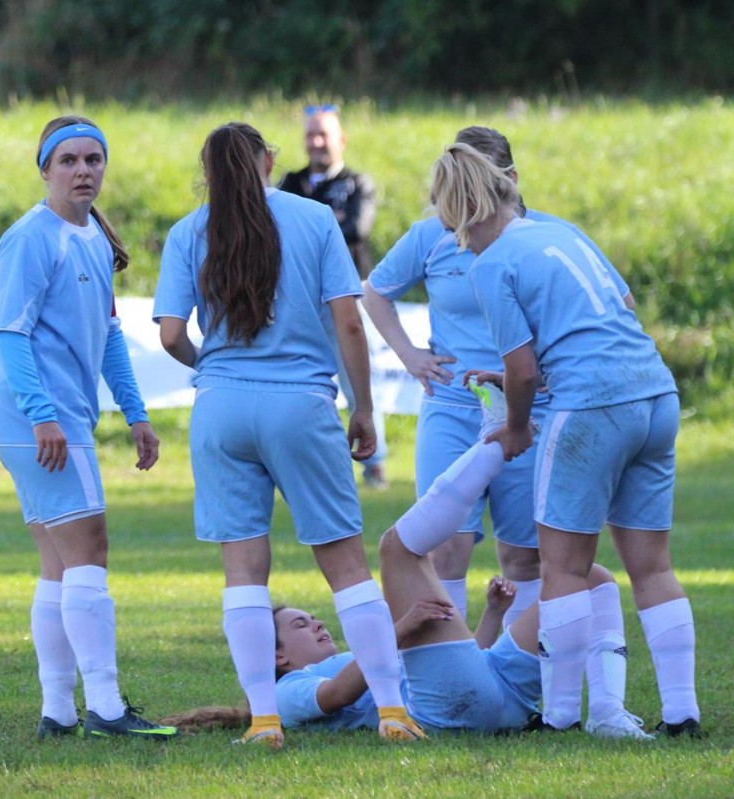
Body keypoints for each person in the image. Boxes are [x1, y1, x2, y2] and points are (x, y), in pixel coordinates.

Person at [154, 122, 422, 748]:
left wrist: (211, 367)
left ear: (208, 173)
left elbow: (169, 335)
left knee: (244, 572)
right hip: (300, 403)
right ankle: (391, 710)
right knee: (346, 565)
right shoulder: (315, 218)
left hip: (221, 407)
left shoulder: (188, 231)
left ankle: (265, 720)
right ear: (269, 161)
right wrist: (363, 407)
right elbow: (348, 324)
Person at [428, 142, 700, 737]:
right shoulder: (563, 233)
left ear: (462, 209)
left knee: (562, 568)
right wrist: (527, 378)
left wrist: (515, 425)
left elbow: (523, 370)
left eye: (449, 224)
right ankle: (683, 713)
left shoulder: (491, 264)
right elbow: (618, 311)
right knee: (652, 566)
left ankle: (559, 717)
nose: (455, 240)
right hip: (654, 393)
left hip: (590, 408)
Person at [164, 407, 642, 738]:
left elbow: (465, 664)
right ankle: (495, 444)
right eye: (300, 625)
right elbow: (336, 695)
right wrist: (398, 631)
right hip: (452, 713)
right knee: (396, 548)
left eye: (309, 617)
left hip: (496, 693)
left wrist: (494, 615)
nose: (317, 622)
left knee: (590, 578)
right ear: (280, 657)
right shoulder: (285, 693)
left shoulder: (348, 654)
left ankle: (607, 713)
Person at [361, 126, 635, 630]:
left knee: (525, 556)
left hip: (530, 411)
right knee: (443, 548)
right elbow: (374, 292)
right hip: (453, 408)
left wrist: (554, 373)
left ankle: (518, 668)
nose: (468, 203)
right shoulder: (430, 234)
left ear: (509, 179)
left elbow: (619, 302)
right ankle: (452, 667)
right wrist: (410, 355)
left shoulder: (548, 235)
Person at [0, 115, 175, 740]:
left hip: (56, 417)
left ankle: (59, 712)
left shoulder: (92, 234)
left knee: (60, 563)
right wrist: (42, 415)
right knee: (89, 550)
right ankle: (108, 708)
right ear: (45, 169)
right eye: (68, 160)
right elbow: (9, 334)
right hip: (40, 418)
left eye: (93, 159)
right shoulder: (30, 238)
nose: (83, 170)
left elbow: (111, 335)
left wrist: (136, 413)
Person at [277, 104, 387, 488]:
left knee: (359, 379)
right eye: (311, 134)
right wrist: (329, 219)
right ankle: (299, 461)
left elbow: (356, 228)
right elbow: (276, 231)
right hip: (299, 299)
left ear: (341, 139)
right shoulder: (290, 182)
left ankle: (374, 462)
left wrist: (313, 223)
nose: (317, 142)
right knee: (298, 381)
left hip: (345, 297)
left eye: (323, 134)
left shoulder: (357, 183)